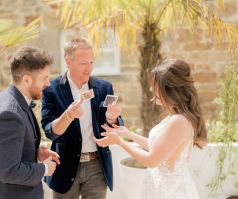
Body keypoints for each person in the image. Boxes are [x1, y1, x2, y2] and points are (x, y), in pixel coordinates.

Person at [94, 58, 208, 199]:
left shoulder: (178, 120)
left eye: (155, 86)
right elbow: (157, 148)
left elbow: (151, 160)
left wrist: (120, 142)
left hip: (170, 192)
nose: (150, 89)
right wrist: (128, 134)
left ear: (169, 88)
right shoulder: (175, 116)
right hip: (161, 188)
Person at [41, 35, 124, 199]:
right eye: (83, 63)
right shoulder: (51, 90)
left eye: (91, 62)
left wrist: (112, 119)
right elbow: (50, 132)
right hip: (64, 166)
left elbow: (114, 126)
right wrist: (68, 116)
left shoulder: (105, 87)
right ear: (68, 62)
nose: (89, 68)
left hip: (97, 166)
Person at [0, 46, 60, 199]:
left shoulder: (10, 97)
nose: (48, 84)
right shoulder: (10, 113)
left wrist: (35, 152)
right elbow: (8, 171)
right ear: (27, 79)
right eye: (44, 78)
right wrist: (44, 169)